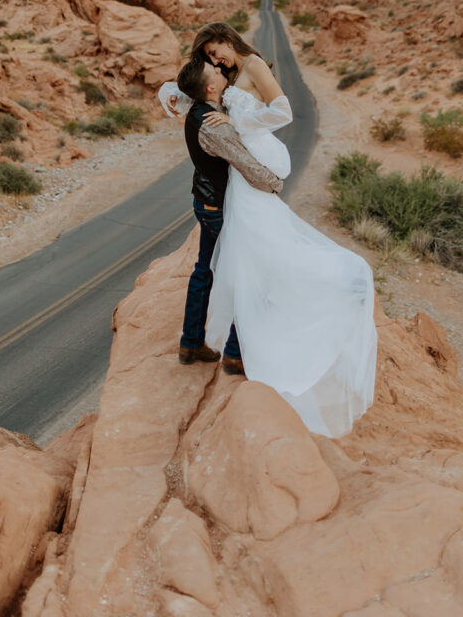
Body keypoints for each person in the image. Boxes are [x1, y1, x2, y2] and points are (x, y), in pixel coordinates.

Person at [159, 22, 377, 438]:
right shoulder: (214, 104)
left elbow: (278, 111)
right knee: (243, 265)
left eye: (216, 53)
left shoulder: (244, 71)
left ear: (227, 39)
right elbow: (227, 141)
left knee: (222, 263)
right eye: (209, 60)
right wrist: (268, 176)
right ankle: (232, 351)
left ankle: (197, 340)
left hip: (226, 180)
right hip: (226, 189)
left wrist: (245, 120)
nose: (215, 61)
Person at [172, 54, 284, 376]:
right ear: (209, 89)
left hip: (204, 202)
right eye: (215, 71)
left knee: (204, 270)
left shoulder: (199, 109)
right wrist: (274, 183)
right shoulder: (212, 125)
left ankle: (190, 341)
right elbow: (245, 162)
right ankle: (234, 353)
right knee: (243, 273)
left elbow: (179, 91)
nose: (221, 70)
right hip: (218, 208)